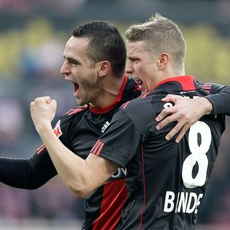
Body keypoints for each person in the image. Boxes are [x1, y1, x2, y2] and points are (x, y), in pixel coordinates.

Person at [0, 20, 230, 229]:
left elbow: (82, 184)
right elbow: (31, 173)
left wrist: (203, 104)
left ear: (102, 68)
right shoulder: (76, 123)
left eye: (73, 63)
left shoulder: (143, 103)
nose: (63, 70)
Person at [27, 15, 229, 229]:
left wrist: (43, 126)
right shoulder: (208, 100)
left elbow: (82, 183)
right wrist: (204, 105)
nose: (129, 69)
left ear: (162, 60)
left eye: (135, 61)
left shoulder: (138, 110)